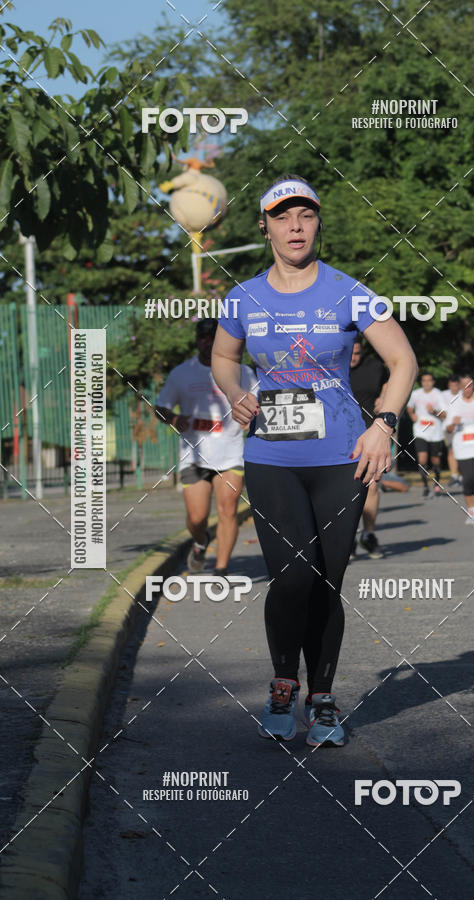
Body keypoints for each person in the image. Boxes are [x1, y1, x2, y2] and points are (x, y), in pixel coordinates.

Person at [211, 174, 417, 747]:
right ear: (265, 227)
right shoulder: (242, 297)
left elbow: (403, 361)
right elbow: (223, 358)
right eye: (282, 217)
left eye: (305, 215)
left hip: (340, 457)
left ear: (318, 222)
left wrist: (383, 426)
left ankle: (321, 698)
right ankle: (283, 685)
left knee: (328, 580)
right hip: (271, 457)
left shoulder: (350, 291)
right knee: (293, 575)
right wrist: (235, 391)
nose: (295, 226)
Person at [155, 318, 254, 574]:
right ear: (197, 341)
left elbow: (258, 399)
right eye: (203, 338)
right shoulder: (182, 373)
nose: (208, 343)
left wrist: (251, 417)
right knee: (197, 518)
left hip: (231, 454)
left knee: (227, 511)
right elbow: (160, 407)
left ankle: (221, 569)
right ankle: (200, 542)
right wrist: (174, 419)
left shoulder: (243, 372)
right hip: (194, 456)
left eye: (213, 338)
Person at [349, 338, 387, 558]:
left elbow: (393, 379)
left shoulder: (375, 366)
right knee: (346, 490)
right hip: (342, 437)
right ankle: (348, 537)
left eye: (357, 353)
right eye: (350, 353)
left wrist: (385, 396)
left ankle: (368, 534)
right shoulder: (333, 367)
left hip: (371, 434)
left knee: (372, 486)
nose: (353, 358)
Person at [444, 374, 474, 524]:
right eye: (463, 385)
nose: (467, 389)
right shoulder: (454, 401)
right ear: (459, 386)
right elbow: (448, 428)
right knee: (468, 480)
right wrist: (453, 424)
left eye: (469, 385)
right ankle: (472, 511)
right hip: (462, 447)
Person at [406, 372, 447, 497]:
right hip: (420, 431)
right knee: (422, 459)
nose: (427, 383)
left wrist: (434, 411)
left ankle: (436, 484)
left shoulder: (438, 394)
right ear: (421, 382)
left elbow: (444, 415)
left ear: (433, 382)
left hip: (435, 432)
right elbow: (409, 406)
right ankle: (425, 486)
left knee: (436, 461)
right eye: (424, 380)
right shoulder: (416, 393)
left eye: (429, 380)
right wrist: (412, 414)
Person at [441, 374, 461, 487]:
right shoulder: (443, 395)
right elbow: (441, 412)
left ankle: (462, 476)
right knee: (451, 451)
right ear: (449, 385)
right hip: (448, 428)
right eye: (451, 385)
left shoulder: (463, 394)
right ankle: (454, 476)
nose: (454, 388)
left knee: (462, 451)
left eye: (456, 385)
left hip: (462, 428)